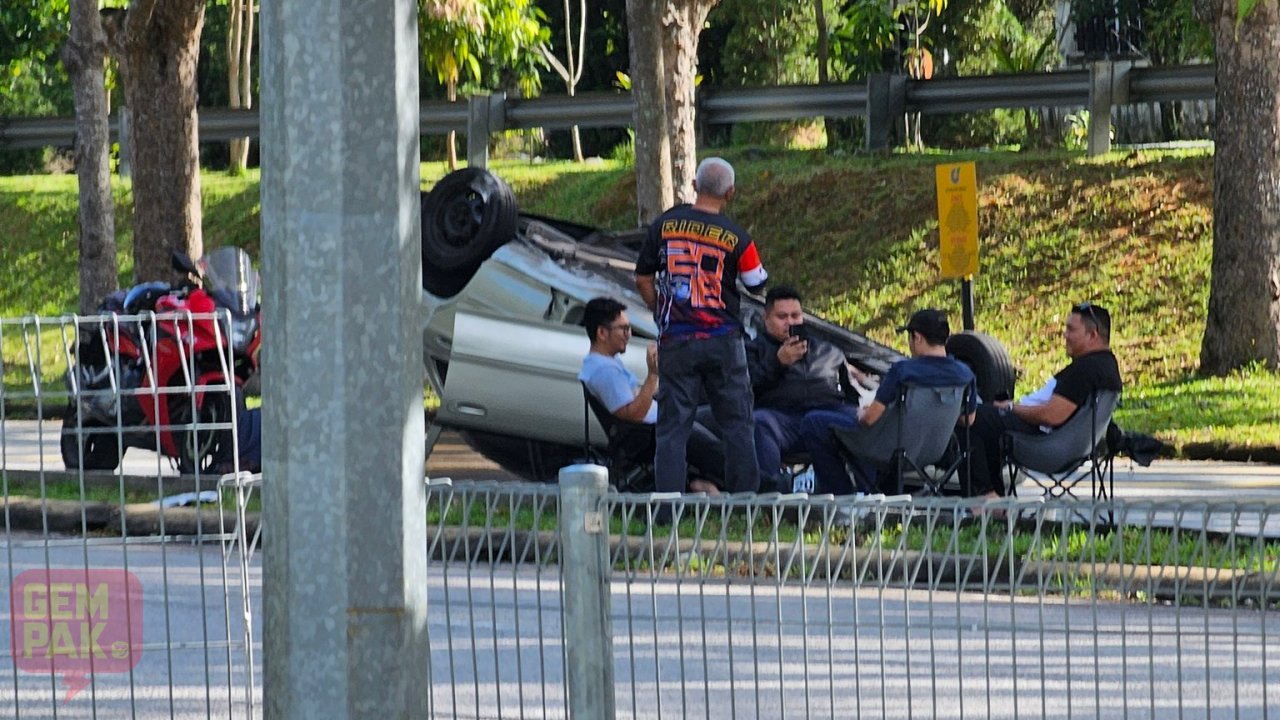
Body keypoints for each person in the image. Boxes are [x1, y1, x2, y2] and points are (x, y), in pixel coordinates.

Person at [635, 157, 768, 495]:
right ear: (731, 193)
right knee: (737, 424)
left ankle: (667, 506)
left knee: (672, 428)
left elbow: (642, 278)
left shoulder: (664, 225)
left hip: (677, 339)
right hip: (723, 339)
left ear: (694, 186)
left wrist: (659, 312)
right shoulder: (738, 237)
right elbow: (756, 284)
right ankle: (745, 505)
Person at [799, 308, 977, 495]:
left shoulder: (904, 371)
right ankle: (877, 494)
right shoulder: (965, 374)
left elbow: (869, 419)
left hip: (891, 450)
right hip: (933, 452)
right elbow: (968, 420)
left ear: (917, 337)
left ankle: (843, 498)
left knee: (814, 422)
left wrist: (862, 412)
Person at [963, 302, 1123, 504]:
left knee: (971, 417)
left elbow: (1052, 416)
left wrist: (1011, 408)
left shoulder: (1086, 370)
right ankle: (991, 497)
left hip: (1051, 447)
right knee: (983, 416)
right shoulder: (1106, 364)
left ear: (1093, 335)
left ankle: (984, 499)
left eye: (1071, 329)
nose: (1065, 335)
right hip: (1073, 445)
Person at [578, 297, 722, 494]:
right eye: (623, 329)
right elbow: (635, 414)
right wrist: (653, 374)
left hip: (660, 419)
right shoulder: (604, 371)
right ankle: (759, 487)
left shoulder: (605, 362)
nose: (628, 334)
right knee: (716, 444)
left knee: (721, 416)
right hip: (651, 434)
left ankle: (703, 482)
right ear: (602, 333)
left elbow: (634, 397)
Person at [746, 285, 864, 493]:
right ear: (766, 319)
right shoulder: (753, 349)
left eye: (795, 315)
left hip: (827, 413)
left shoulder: (827, 350)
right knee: (760, 422)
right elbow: (744, 389)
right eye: (782, 316)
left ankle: (867, 493)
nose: (790, 322)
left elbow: (852, 394)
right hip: (783, 419)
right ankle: (771, 495)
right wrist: (777, 363)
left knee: (863, 420)